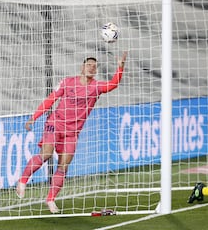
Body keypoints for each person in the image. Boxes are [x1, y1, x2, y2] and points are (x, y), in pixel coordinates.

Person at [16, 51, 128, 213]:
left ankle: (50, 199)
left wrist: (120, 67)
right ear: (82, 68)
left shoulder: (96, 87)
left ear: (95, 71)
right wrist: (34, 117)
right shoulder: (68, 82)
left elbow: (113, 84)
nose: (91, 68)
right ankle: (23, 180)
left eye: (94, 66)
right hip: (55, 124)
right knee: (46, 154)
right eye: (88, 65)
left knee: (63, 166)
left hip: (72, 132)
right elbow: (51, 99)